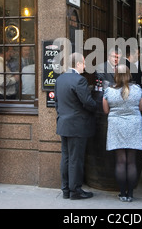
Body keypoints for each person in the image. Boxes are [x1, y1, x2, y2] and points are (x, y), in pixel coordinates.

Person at [55, 52, 97, 200]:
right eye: (84, 63)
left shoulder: (60, 79)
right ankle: (75, 191)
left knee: (66, 157)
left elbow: (57, 102)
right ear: (78, 64)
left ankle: (66, 189)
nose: (85, 66)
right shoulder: (80, 80)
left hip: (63, 124)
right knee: (76, 159)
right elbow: (87, 102)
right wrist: (97, 105)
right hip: (77, 125)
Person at [103, 65, 142, 202]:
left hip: (116, 126)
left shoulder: (108, 91)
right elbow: (141, 107)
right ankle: (131, 194)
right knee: (131, 161)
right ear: (129, 74)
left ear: (115, 75)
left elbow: (105, 110)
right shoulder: (138, 90)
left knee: (121, 161)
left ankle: (122, 193)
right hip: (134, 125)